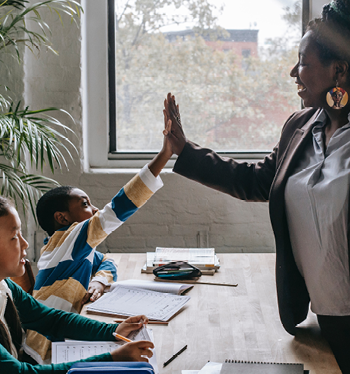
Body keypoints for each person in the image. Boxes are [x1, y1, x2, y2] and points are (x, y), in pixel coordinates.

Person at [163, 0, 350, 372]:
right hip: (322, 314)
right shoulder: (300, 126)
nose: (292, 72)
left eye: (303, 62)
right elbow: (258, 180)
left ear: (339, 71)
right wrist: (184, 151)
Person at [25, 125, 172, 364]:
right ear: (62, 218)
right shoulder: (68, 239)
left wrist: (99, 281)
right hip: (45, 349)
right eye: (84, 204)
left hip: (64, 334)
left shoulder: (68, 247)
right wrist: (165, 154)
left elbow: (105, 261)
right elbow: (117, 209)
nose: (93, 209)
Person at [0, 196, 154, 373]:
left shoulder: (5, 287)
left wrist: (114, 329)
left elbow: (51, 320)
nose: (25, 243)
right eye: (14, 237)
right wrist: (111, 358)